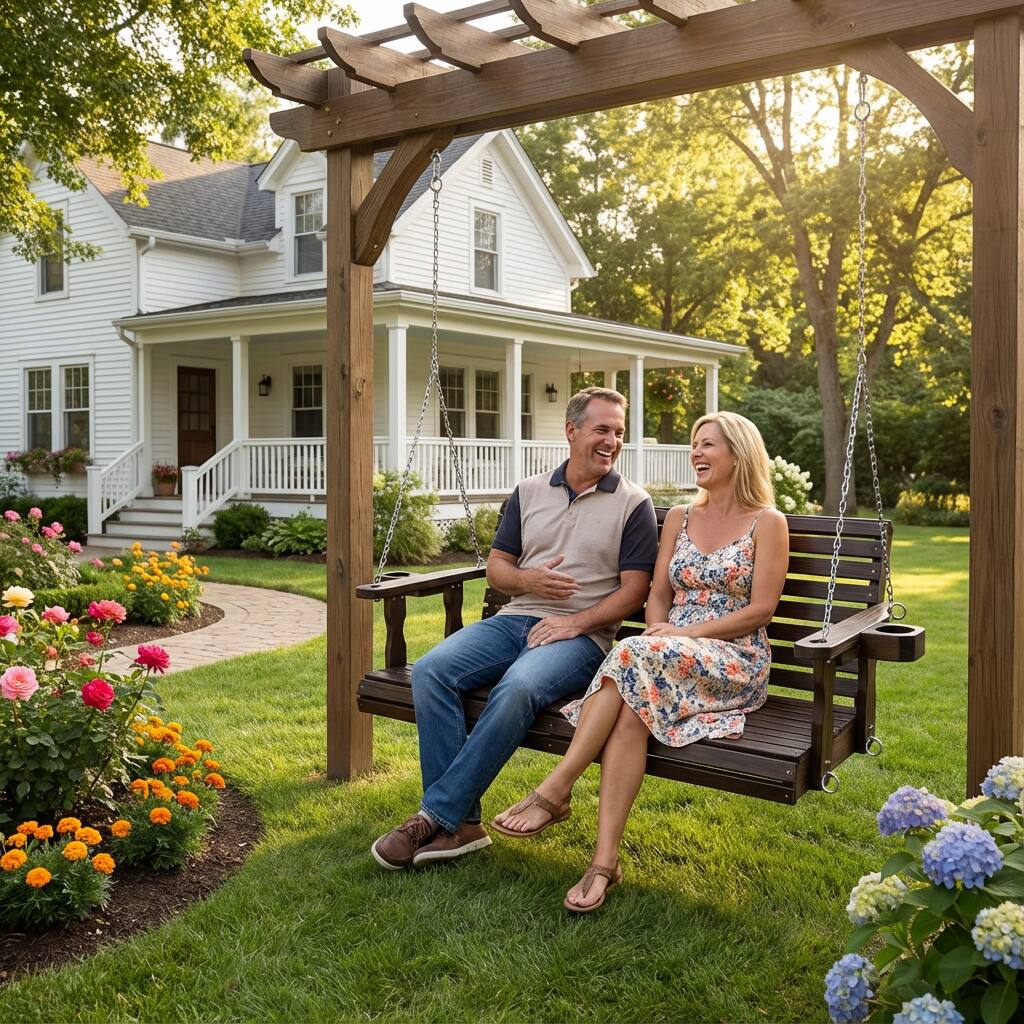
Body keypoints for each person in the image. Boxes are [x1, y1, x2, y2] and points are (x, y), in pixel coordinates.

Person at [492, 411, 789, 912]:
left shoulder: (768, 523)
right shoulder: (679, 517)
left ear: (738, 453)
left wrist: (680, 633)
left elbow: (760, 611)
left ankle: (558, 787)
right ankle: (603, 864)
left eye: (707, 445)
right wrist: (659, 629)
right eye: (694, 444)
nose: (695, 452)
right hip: (663, 654)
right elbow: (656, 594)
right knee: (632, 710)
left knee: (631, 656)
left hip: (732, 658)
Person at [371, 387, 659, 870]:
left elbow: (634, 593)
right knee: (432, 670)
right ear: (572, 431)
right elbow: (498, 570)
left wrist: (574, 623)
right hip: (513, 621)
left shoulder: (634, 504)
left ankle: (433, 818)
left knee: (518, 686)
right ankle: (462, 825)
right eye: (602, 430)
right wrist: (528, 580)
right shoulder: (528, 491)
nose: (611, 441)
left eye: (618, 432)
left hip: (583, 638)